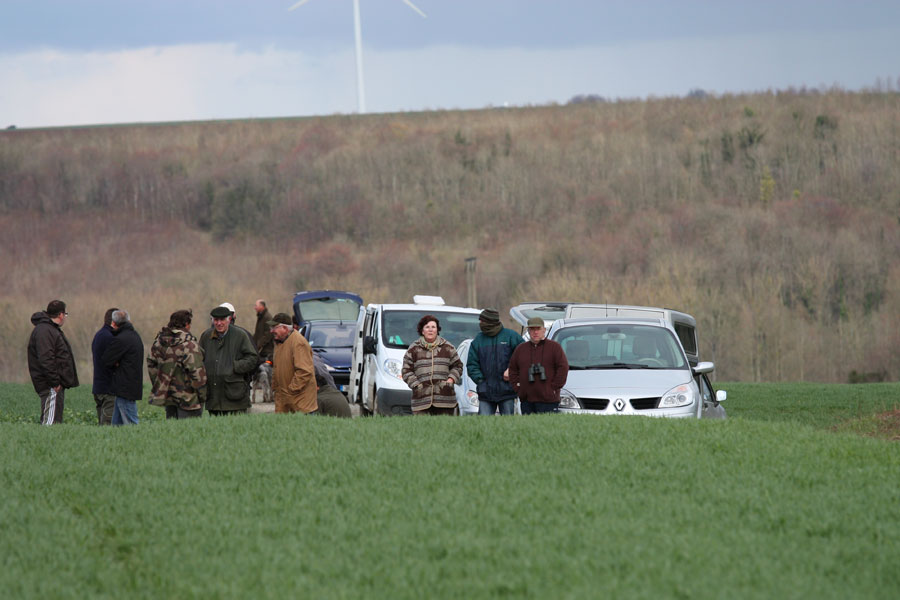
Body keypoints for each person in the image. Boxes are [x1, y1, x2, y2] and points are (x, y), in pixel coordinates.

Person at [147, 309, 208, 419]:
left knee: (174, 433)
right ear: (186, 325)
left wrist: (161, 386)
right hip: (188, 399)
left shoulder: (158, 343)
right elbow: (198, 374)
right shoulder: (189, 345)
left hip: (168, 397)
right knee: (190, 433)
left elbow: (151, 367)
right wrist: (202, 396)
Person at [199, 305, 259, 415]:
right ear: (212, 320)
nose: (219, 323)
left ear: (229, 319)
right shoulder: (206, 336)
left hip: (235, 396)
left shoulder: (240, 335)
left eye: (222, 320)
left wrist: (234, 367)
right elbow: (199, 360)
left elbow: (253, 358)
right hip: (213, 398)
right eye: (216, 320)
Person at [27, 300, 79, 425]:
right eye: (65, 314)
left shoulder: (49, 329)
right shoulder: (45, 331)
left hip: (53, 384)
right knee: (49, 424)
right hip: (50, 385)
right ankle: (42, 444)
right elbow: (46, 359)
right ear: (61, 314)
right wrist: (54, 382)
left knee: (55, 422)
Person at [401, 314, 463, 416]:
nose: (430, 330)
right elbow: (406, 370)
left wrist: (450, 380)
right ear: (422, 331)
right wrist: (416, 385)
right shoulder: (413, 349)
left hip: (445, 399)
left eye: (433, 327)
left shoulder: (448, 347)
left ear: (437, 330)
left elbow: (458, 366)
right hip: (421, 399)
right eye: (427, 327)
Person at [466, 307, 523, 415]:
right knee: (484, 426)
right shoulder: (478, 340)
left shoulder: (511, 336)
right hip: (485, 393)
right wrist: (481, 381)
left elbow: (524, 356)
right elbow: (472, 364)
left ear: (490, 321)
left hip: (507, 392)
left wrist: (512, 371)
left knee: (509, 426)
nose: (480, 323)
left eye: (482, 321)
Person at [508, 316, 569, 414]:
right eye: (532, 329)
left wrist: (553, 388)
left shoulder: (554, 347)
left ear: (544, 330)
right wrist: (519, 389)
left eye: (538, 329)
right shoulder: (520, 349)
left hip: (549, 401)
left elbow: (563, 368)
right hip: (527, 401)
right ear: (528, 331)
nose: (535, 332)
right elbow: (513, 370)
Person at [269, 313, 318, 414]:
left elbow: (304, 372)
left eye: (274, 328)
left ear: (285, 329)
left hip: (300, 404)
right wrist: (275, 387)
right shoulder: (280, 342)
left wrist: (290, 391)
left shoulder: (299, 343)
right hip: (286, 401)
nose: (271, 331)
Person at [102, 310, 144, 426]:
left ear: (114, 323)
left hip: (124, 386)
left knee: (131, 423)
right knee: (117, 425)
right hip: (131, 384)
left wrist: (116, 363)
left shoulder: (121, 339)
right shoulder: (135, 336)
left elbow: (106, 360)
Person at [90, 307, 119, 425]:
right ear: (114, 321)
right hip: (108, 389)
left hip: (99, 387)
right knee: (108, 426)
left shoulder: (99, 335)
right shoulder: (109, 337)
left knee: (102, 424)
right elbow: (114, 362)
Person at [250, 299, 274, 404]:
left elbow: (268, 334)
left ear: (262, 306)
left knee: (269, 375)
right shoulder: (260, 317)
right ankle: (266, 395)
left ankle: (270, 395)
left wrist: (259, 346)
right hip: (261, 350)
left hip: (267, 351)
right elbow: (257, 334)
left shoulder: (268, 317)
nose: (255, 307)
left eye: (256, 305)